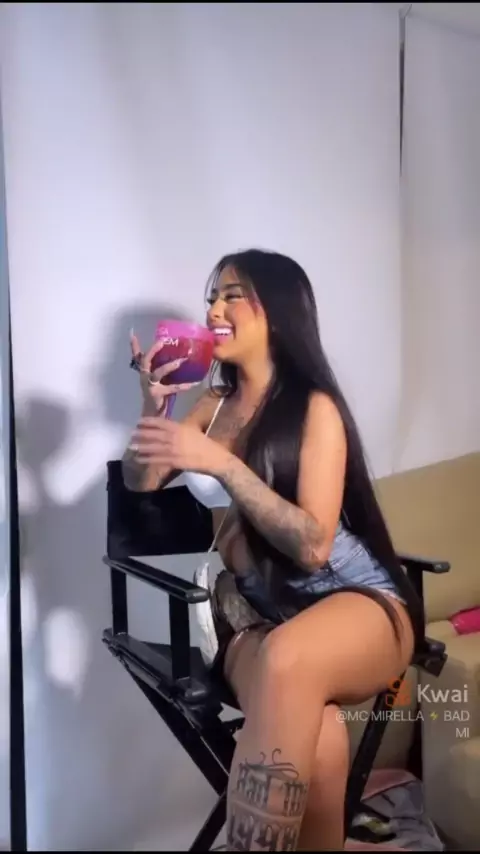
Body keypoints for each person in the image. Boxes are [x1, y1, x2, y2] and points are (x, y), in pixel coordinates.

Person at [122, 249, 423, 852]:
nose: (214, 309)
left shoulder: (314, 409)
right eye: (212, 297)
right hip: (254, 612)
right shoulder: (212, 404)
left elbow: (313, 546)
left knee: (288, 658)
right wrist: (156, 407)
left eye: (233, 295)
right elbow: (140, 480)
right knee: (323, 735)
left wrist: (224, 466)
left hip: (353, 599)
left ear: (279, 312)